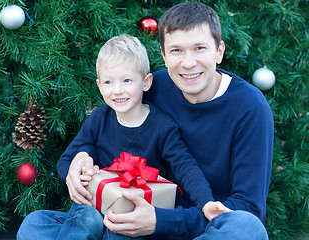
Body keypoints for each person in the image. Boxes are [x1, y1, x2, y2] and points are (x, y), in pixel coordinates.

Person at [17, 34, 230, 240]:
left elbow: (185, 167)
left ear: (145, 82)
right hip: (90, 211)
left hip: (130, 218)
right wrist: (73, 178)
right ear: (100, 87)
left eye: (127, 80)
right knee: (34, 224)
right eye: (109, 83)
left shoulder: (163, 127)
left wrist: (206, 203)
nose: (118, 90)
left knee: (119, 230)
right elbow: (67, 160)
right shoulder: (99, 118)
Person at [101, 2, 274, 240]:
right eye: (176, 51)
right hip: (140, 226)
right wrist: (81, 155)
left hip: (204, 232)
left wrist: (161, 221)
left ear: (219, 51)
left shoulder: (249, 107)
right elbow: (106, 122)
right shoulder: (154, 87)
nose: (188, 63)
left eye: (199, 48)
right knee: (38, 223)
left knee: (246, 228)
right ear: (163, 54)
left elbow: (248, 208)